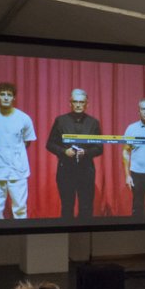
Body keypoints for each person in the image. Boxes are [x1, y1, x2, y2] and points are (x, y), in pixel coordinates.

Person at [0, 81, 36, 219]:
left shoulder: (24, 118)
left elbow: (27, 142)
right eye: (3, 94)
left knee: (20, 209)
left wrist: (15, 155)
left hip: (18, 171)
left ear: (14, 97)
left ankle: (21, 231)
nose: (6, 97)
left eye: (9, 95)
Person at [45, 89, 103, 219]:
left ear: (87, 104)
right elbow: (50, 144)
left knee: (86, 208)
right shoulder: (60, 120)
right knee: (67, 207)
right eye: (75, 102)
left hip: (86, 170)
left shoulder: (93, 123)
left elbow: (99, 148)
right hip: (66, 170)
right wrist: (64, 151)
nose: (78, 105)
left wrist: (86, 152)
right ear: (70, 103)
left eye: (81, 102)